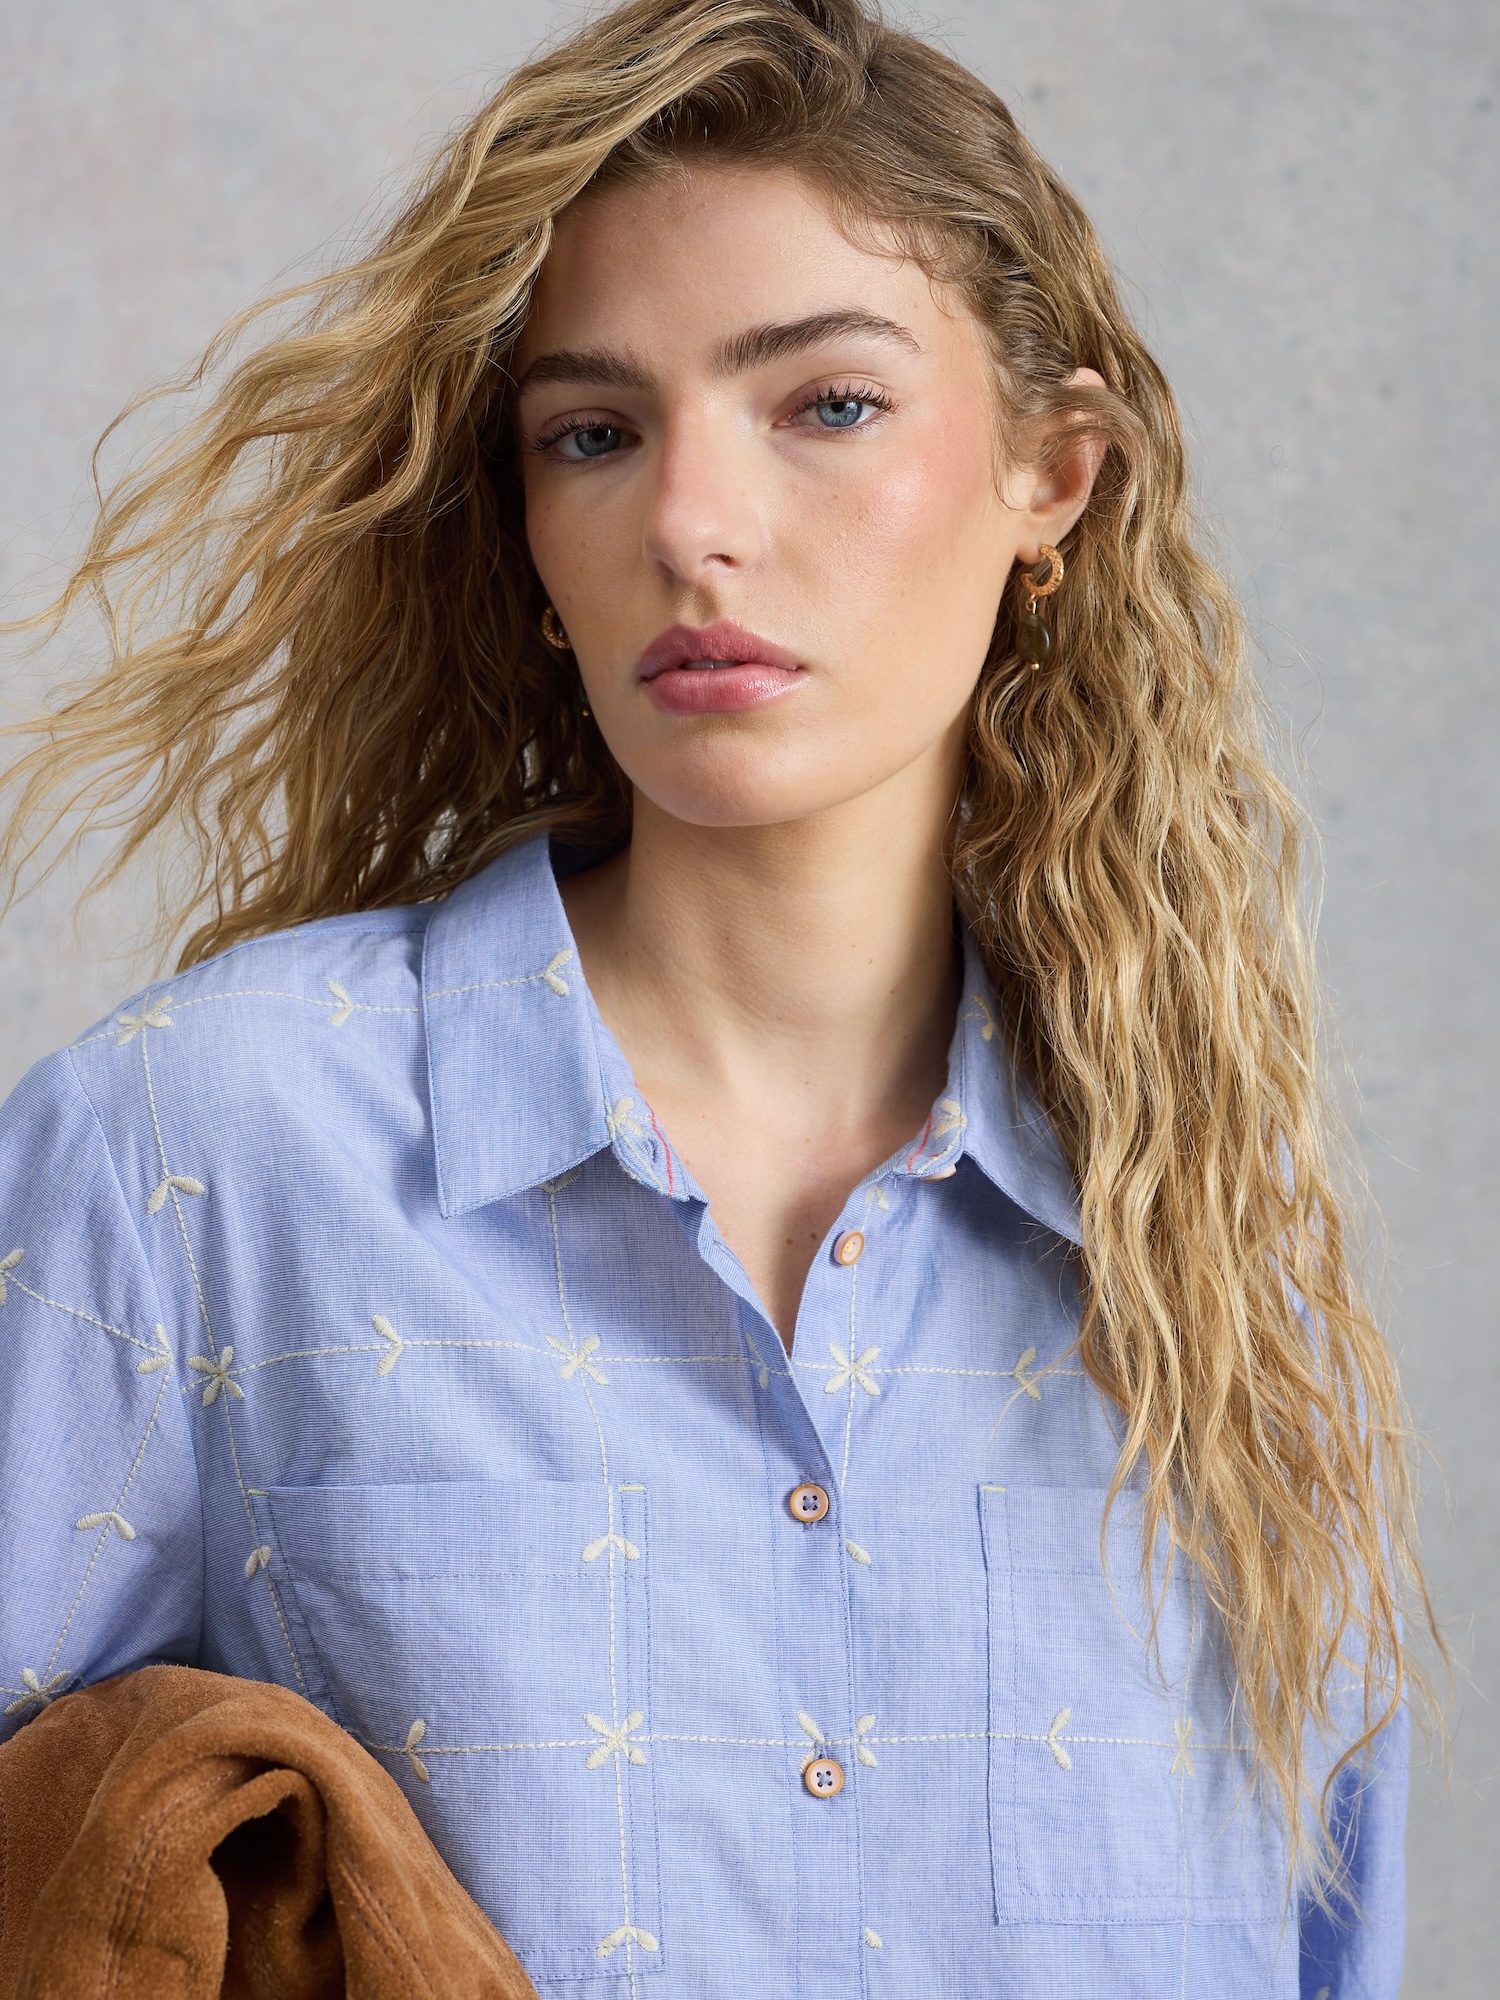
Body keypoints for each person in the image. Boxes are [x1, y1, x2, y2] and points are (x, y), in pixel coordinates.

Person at [0, 2, 1428, 1993]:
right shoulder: (203, 1153)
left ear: (1054, 474)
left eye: (825, 404)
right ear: (527, 529)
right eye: (592, 433)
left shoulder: (1208, 1235)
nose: (690, 523)